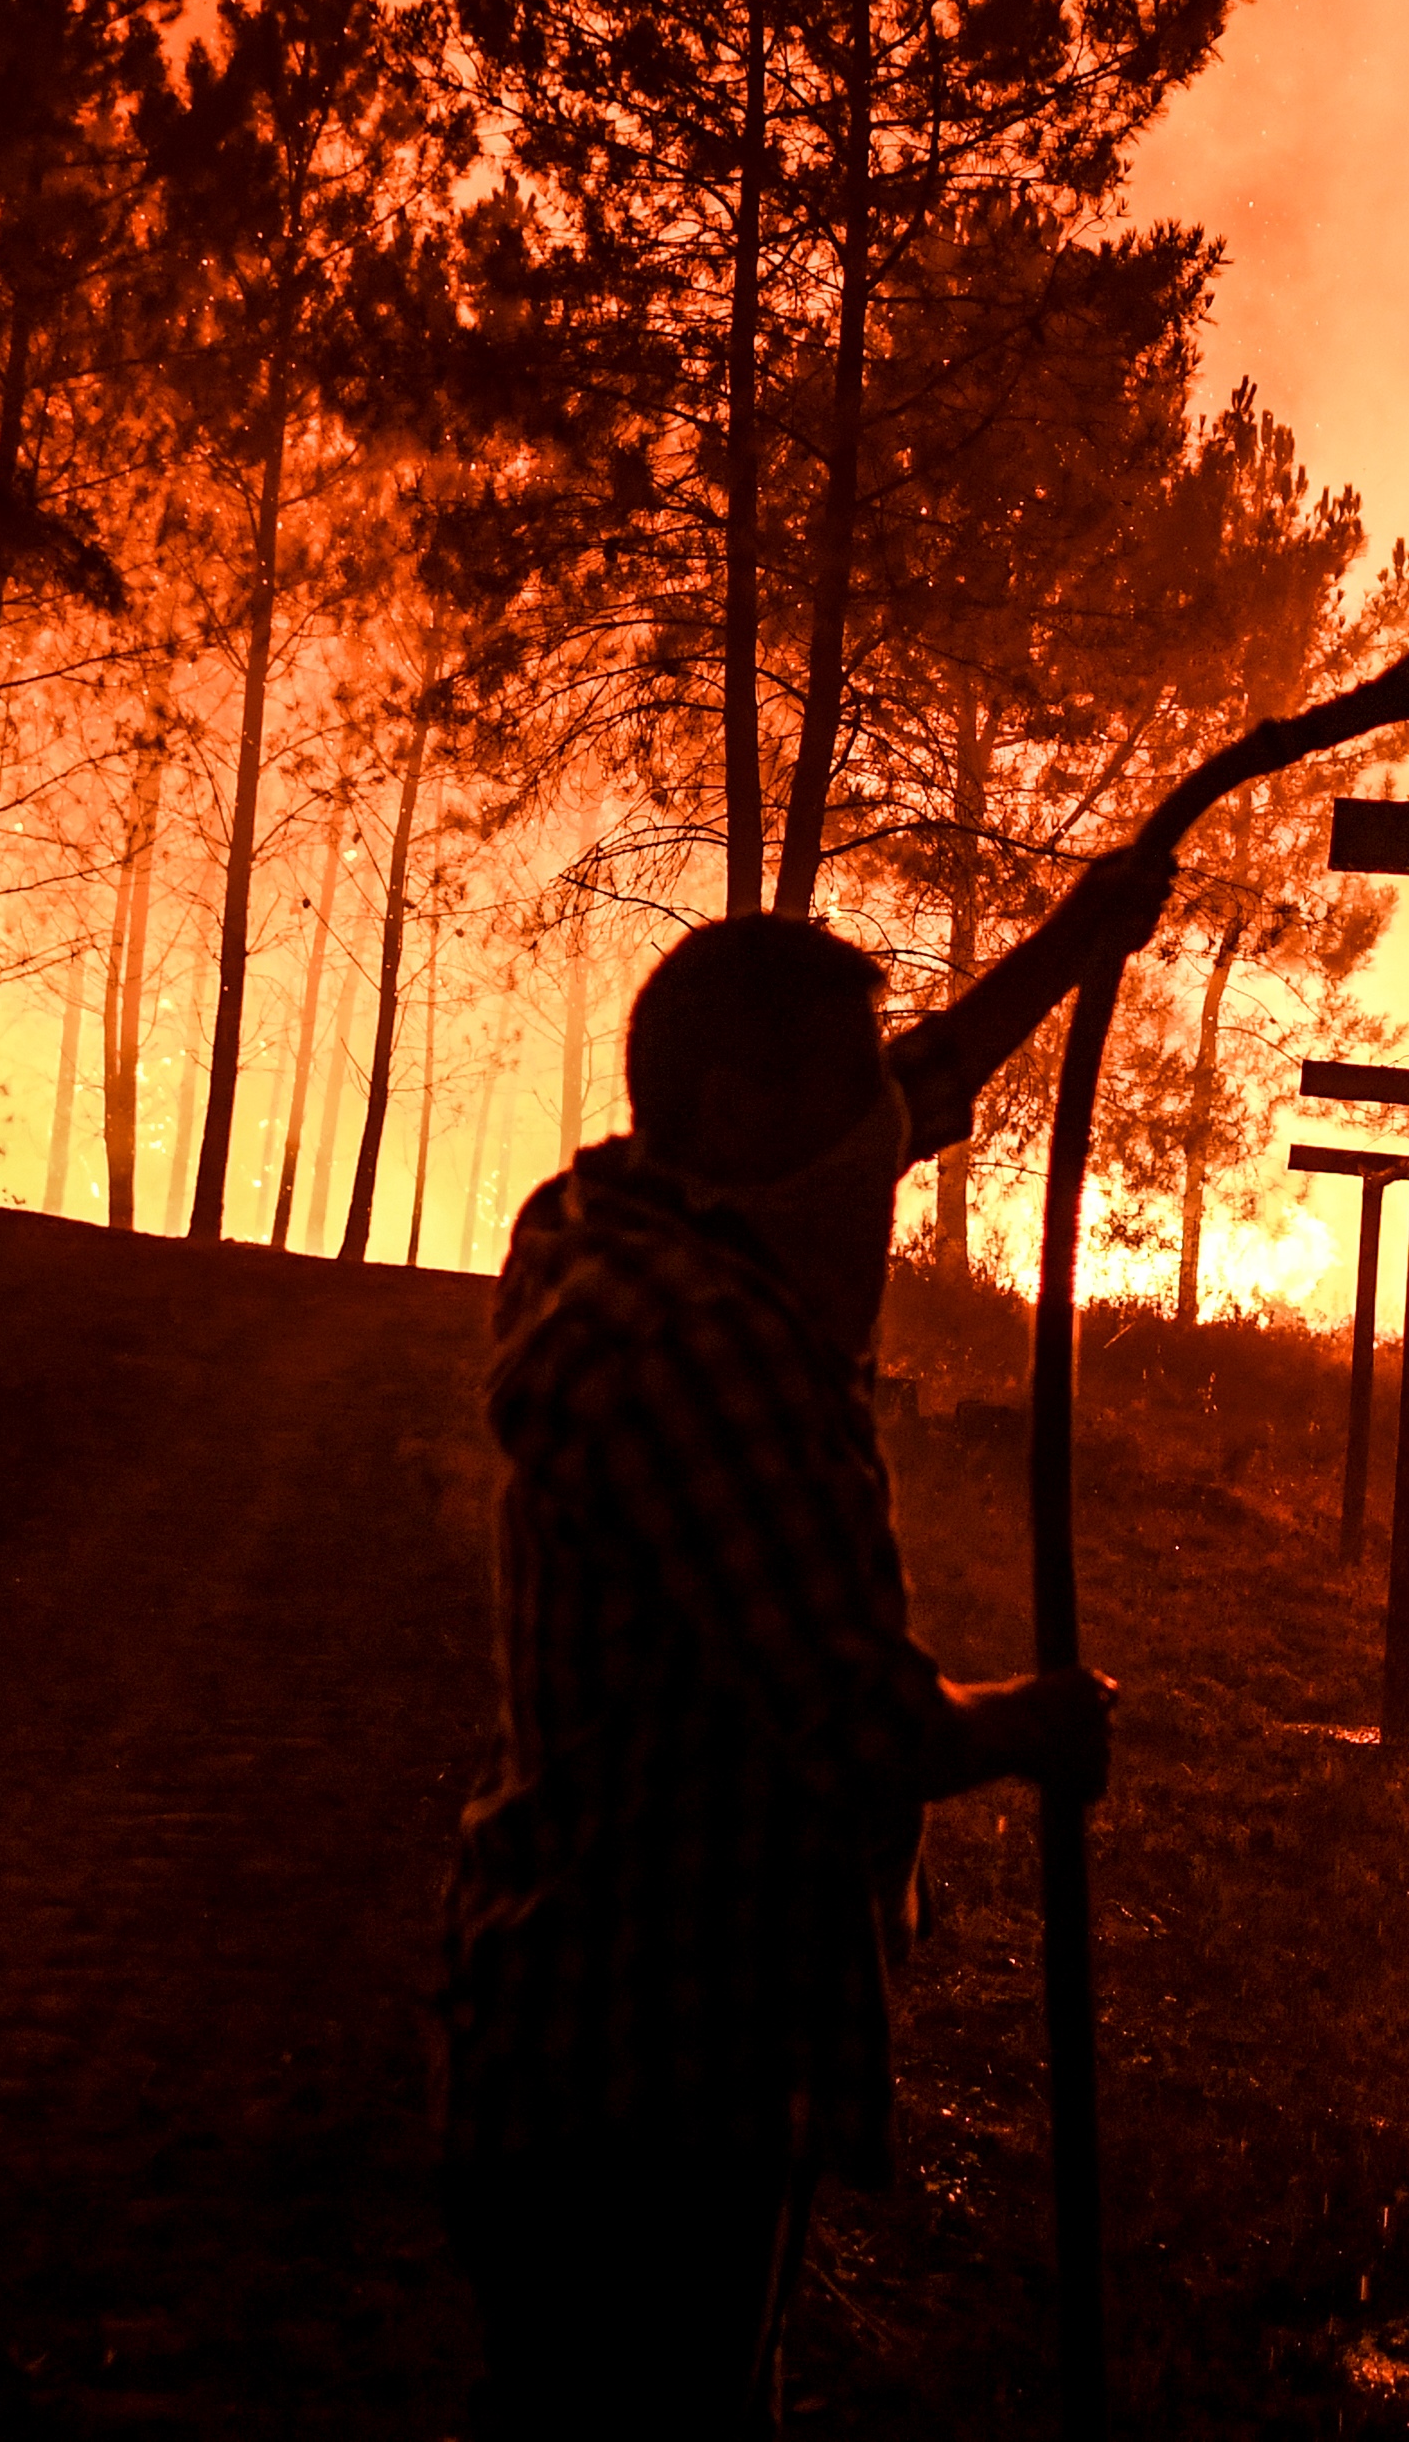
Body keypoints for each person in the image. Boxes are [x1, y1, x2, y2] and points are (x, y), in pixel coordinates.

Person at [438, 844, 1170, 2437]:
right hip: (652, 2058)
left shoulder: (614, 1217)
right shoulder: (703, 1350)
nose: (880, 1124)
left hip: (568, 2022)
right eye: (839, 1087)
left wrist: (1076, 934)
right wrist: (1028, 1721)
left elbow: (924, 1078)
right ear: (730, 1106)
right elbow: (858, 1724)